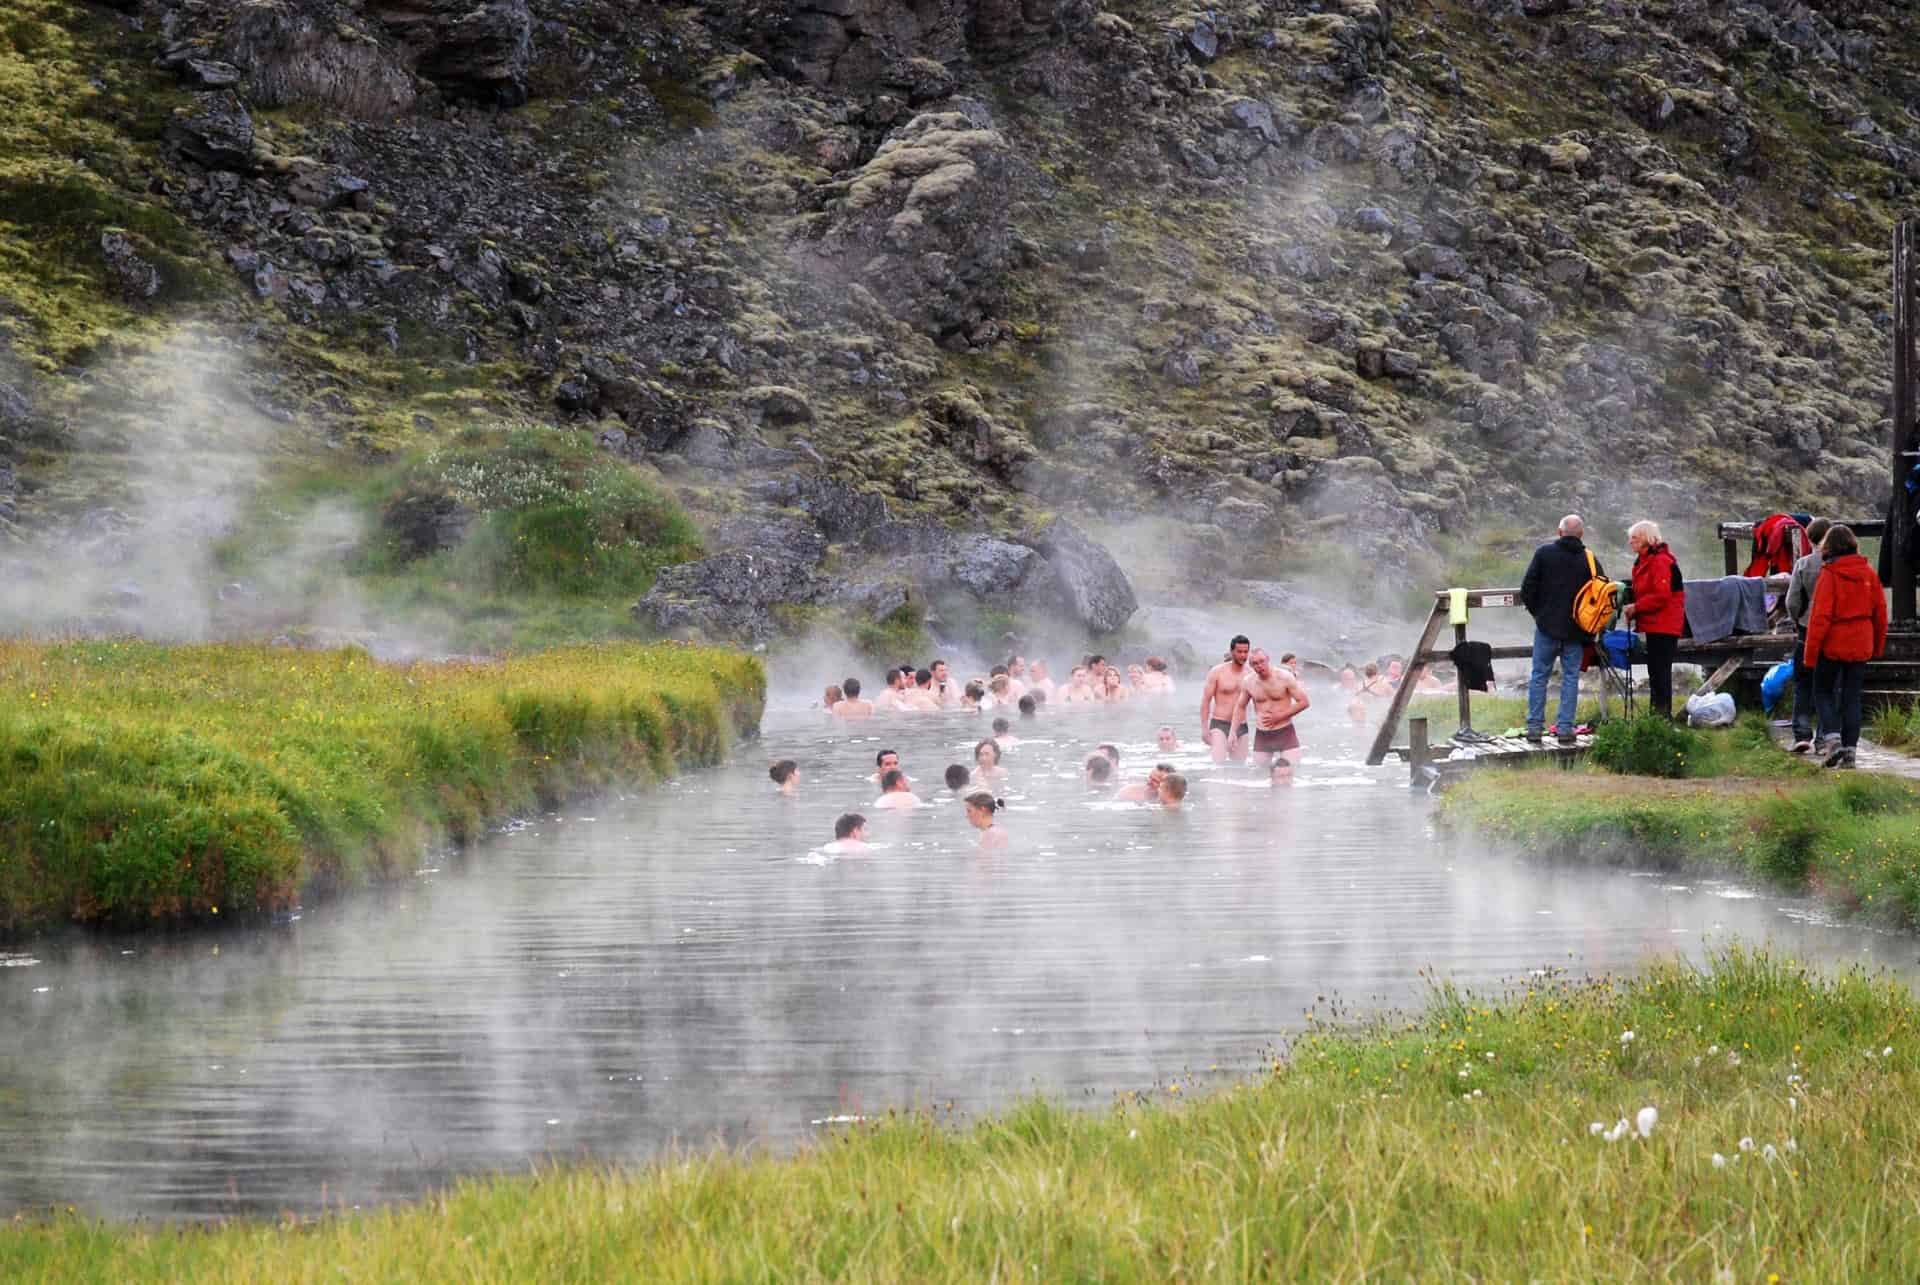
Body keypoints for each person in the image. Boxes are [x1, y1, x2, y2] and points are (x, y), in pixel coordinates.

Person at [1804, 524, 1887, 770]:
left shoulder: (1829, 574)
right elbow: (1881, 613)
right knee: (1852, 697)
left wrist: (1810, 654)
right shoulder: (1868, 573)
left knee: (1822, 691)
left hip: (1833, 642)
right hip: (1861, 641)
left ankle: (1832, 739)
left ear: (1828, 546)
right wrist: (1877, 646)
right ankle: (1850, 751)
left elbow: (1820, 617)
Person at [1520, 514, 1602, 746]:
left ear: (1559, 532)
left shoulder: (1544, 554)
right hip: (1576, 631)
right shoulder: (1590, 559)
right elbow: (1601, 594)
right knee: (1570, 678)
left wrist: (1539, 614)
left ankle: (1534, 728)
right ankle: (1565, 728)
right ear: (1581, 535)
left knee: (1539, 676)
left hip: (1547, 628)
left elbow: (1527, 589)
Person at [1623, 519, 1686, 721]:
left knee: (1660, 672)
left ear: (1646, 538)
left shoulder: (1660, 561)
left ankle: (1662, 718)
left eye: (1634, 538)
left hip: (1665, 624)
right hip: (1655, 623)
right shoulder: (1645, 561)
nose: (1630, 542)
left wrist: (1636, 607)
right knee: (1656, 671)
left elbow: (1661, 595)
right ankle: (1657, 717)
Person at [1784, 517, 1833, 752]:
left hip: (1807, 627)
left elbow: (1792, 601)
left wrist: (1798, 619)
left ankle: (1802, 734)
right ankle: (1825, 737)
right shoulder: (1835, 563)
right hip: (1833, 630)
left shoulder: (1803, 564)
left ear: (1809, 538)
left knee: (1803, 682)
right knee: (1829, 685)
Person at [1233, 647, 1310, 767]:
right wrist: (1232, 732)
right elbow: (1240, 707)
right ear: (1251, 666)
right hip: (1262, 734)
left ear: (1268, 659)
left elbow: (1304, 702)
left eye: (1262, 661)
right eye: (1255, 663)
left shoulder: (1285, 677)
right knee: (1258, 773)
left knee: (1291, 770)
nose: (1259, 666)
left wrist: (1279, 716)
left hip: (1285, 731)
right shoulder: (1248, 682)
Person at [1199, 635, 1253, 762]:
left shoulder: (1251, 674)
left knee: (1240, 766)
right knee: (1218, 765)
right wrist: (1204, 728)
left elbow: (1260, 701)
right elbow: (1206, 701)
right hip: (1220, 724)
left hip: (1241, 726)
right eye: (1239, 651)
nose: (1243, 655)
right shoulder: (1217, 672)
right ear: (1232, 651)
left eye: (1246, 652)